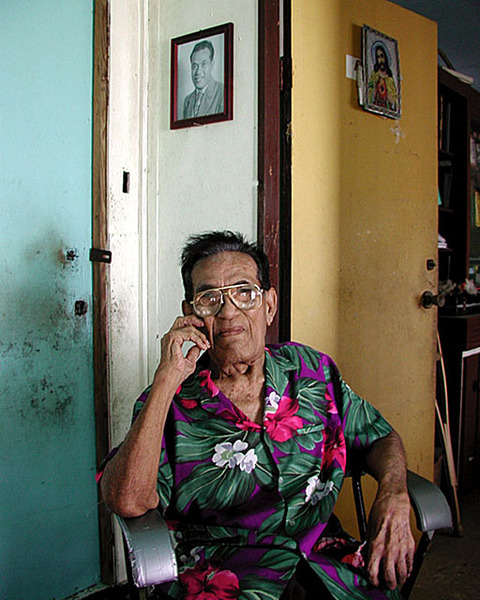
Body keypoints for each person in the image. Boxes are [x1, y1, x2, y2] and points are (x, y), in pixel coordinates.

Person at [100, 230, 415, 600]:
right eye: (210, 298)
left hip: (326, 560)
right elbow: (127, 500)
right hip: (226, 573)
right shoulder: (169, 401)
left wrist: (394, 494)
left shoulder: (312, 372)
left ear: (269, 305)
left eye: (244, 292)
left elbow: (380, 436)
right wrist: (166, 378)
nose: (229, 310)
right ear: (191, 315)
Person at [183, 40, 224, 119]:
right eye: (194, 66)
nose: (198, 72)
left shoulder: (222, 93)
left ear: (212, 65)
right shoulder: (187, 101)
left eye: (203, 64)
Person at [368, 43, 398, 111]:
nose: (380, 60)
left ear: (385, 57)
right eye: (378, 57)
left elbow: (394, 98)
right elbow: (370, 90)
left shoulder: (389, 77)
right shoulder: (374, 74)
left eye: (382, 56)